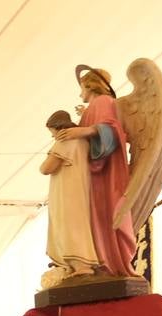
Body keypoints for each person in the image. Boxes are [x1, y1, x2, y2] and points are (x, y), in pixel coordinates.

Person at [60, 67, 136, 278]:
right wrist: (83, 120)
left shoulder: (104, 101)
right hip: (94, 174)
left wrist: (83, 130)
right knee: (94, 217)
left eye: (81, 87)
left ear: (89, 85)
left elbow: (111, 131)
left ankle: (110, 262)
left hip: (107, 173)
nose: (80, 93)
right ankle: (97, 262)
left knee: (106, 213)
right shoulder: (94, 106)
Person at [40, 110, 99, 287]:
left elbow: (46, 168)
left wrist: (52, 150)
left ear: (58, 128)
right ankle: (77, 265)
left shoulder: (65, 139)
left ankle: (80, 264)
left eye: (52, 133)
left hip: (68, 191)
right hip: (78, 186)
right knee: (76, 223)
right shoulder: (82, 141)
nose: (53, 136)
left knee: (69, 225)